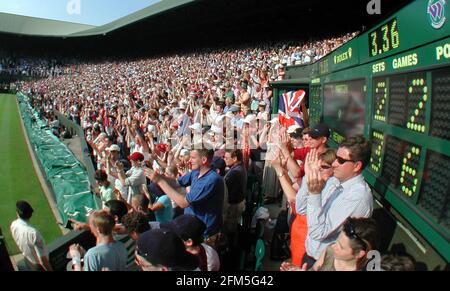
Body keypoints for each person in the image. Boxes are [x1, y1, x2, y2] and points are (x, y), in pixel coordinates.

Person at [297, 135, 373, 267]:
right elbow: (301, 208)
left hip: (328, 264)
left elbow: (318, 232)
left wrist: (315, 193)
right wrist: (309, 178)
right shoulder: (335, 180)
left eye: (341, 160)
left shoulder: (358, 196)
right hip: (311, 256)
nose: (334, 164)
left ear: (356, 166)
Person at [144, 149, 224, 248]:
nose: (189, 161)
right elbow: (177, 183)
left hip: (204, 234)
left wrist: (160, 181)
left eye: (193, 158)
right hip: (193, 229)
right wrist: (158, 176)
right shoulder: (196, 172)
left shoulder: (211, 180)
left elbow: (183, 203)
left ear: (203, 160)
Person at [281, 217, 380, 271]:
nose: (333, 246)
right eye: (337, 241)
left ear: (359, 254)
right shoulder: (330, 252)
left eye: (341, 247)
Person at [10, 201, 53, 271]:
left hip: (27, 261)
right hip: (39, 267)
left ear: (17, 213)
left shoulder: (13, 225)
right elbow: (42, 259)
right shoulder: (34, 233)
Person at [223, 150, 247, 236]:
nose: (224, 159)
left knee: (229, 230)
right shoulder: (240, 167)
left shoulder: (235, 172)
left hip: (234, 206)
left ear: (235, 159)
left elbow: (223, 187)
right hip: (238, 202)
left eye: (226, 158)